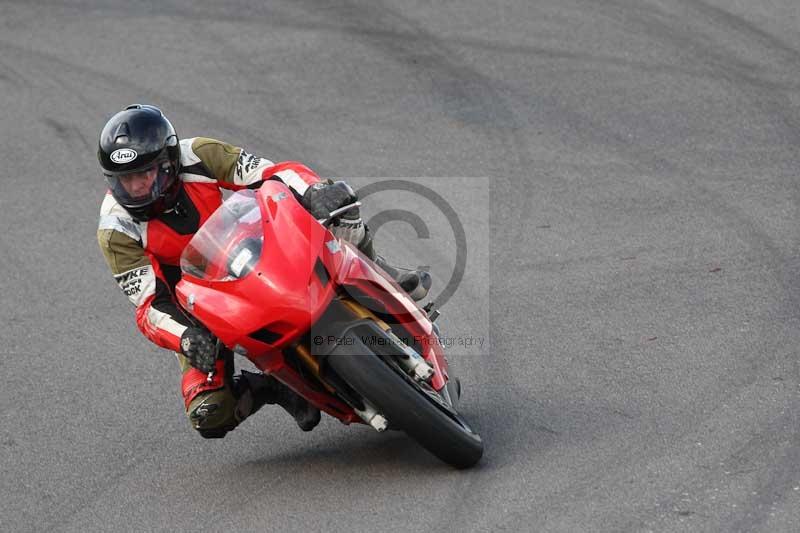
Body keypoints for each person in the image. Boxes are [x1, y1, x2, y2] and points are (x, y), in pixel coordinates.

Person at [96, 104, 431, 438]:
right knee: (209, 414)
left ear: (169, 163)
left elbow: (270, 173)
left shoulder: (197, 154)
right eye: (125, 180)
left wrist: (313, 191)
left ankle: (379, 270)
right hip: (197, 305)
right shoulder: (116, 230)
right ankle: (273, 387)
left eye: (144, 174)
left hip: (246, 248)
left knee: (337, 200)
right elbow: (149, 305)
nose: (136, 188)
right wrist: (185, 337)